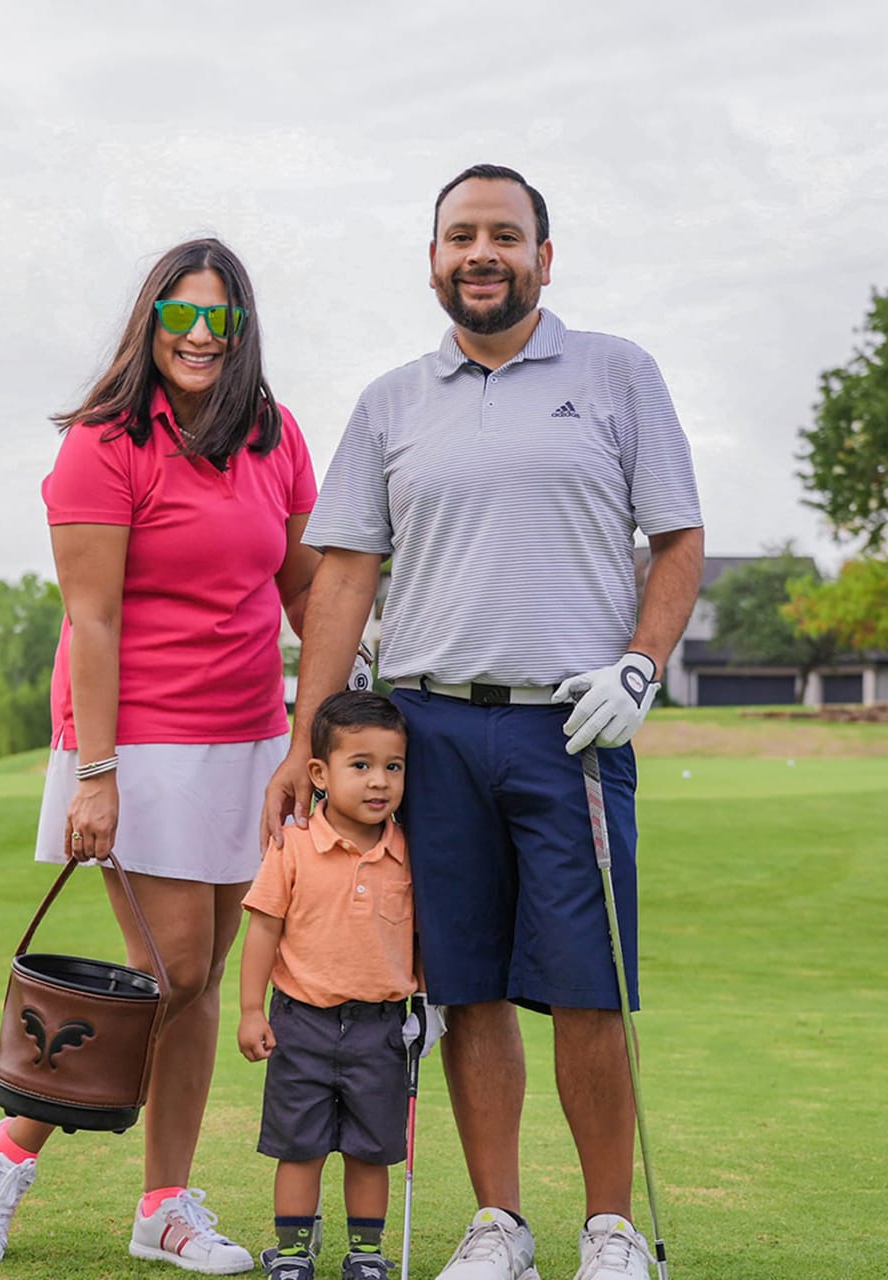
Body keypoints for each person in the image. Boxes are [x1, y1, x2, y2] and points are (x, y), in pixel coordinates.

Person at [261, 166, 705, 1280]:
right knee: (464, 987)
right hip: (432, 730)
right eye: (461, 235)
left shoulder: (617, 372)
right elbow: (344, 576)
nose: (482, 253)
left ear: (543, 258)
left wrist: (643, 668)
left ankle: (609, 1228)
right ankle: (499, 1222)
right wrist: (308, 738)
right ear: (433, 259)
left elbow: (677, 539)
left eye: (505, 235)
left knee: (587, 985)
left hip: (575, 727)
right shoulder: (391, 401)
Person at [0, 237, 320, 1273]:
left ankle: (165, 1204)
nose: (200, 335)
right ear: (150, 322)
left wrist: (357, 691)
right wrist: (98, 771)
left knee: (198, 981)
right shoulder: (104, 442)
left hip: (249, 737)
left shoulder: (274, 432)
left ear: (242, 329)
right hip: (139, 739)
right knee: (177, 969)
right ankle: (6, 1147)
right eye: (180, 315)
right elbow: (94, 619)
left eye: (220, 318)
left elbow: (302, 584)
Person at [237, 691, 416, 1280]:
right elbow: (263, 929)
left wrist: (427, 1005)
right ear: (319, 773)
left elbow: (422, 937)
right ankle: (292, 1252)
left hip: (381, 1030)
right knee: (300, 1147)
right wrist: (251, 1010)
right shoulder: (291, 848)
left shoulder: (408, 852)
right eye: (360, 765)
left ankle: (365, 1253)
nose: (379, 781)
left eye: (393, 766)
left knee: (371, 1148)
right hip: (301, 1023)